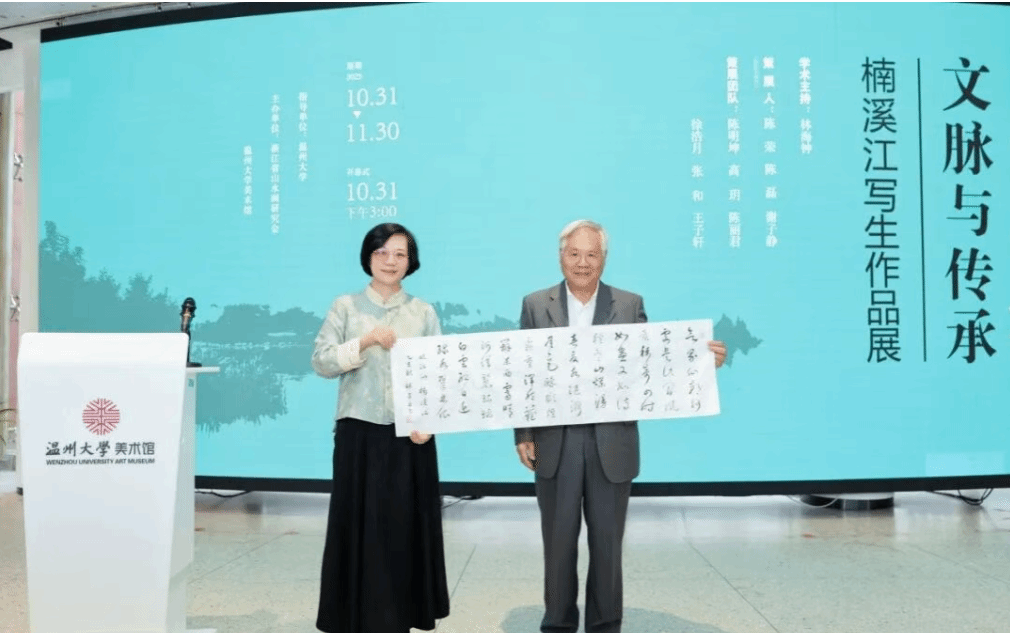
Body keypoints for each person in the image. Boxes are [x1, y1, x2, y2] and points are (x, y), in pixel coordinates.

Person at [514, 219, 727, 633]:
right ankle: (557, 624)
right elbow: (524, 372)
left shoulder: (629, 304)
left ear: (604, 259)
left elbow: (652, 363)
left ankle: (605, 625)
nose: (582, 263)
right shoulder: (536, 304)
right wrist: (523, 432)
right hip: (556, 441)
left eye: (591, 254)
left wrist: (702, 362)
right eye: (574, 253)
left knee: (608, 544)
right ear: (560, 256)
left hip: (611, 442)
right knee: (557, 543)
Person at [311, 222, 450, 633]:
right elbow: (321, 362)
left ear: (411, 262)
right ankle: (355, 616)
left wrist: (429, 422)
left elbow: (438, 376)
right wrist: (365, 341)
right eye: (382, 252)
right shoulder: (345, 307)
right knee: (359, 526)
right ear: (368, 257)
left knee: (404, 529)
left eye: (400, 254)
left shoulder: (423, 312)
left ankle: (401, 616)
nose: (391, 261)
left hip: (411, 437)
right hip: (359, 434)